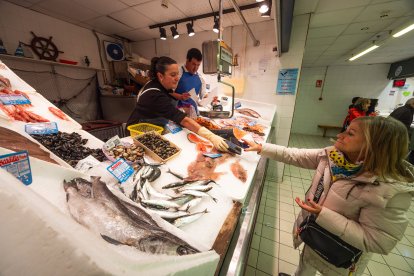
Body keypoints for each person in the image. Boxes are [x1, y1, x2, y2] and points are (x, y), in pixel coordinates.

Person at [245, 116, 414, 276]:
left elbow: (378, 241)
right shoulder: (334, 156)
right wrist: (262, 148)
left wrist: (323, 215)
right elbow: (296, 156)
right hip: (313, 233)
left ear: (374, 146)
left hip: (340, 253)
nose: (340, 135)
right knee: (305, 266)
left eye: (350, 133)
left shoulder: (389, 190)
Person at [126, 56, 228, 152]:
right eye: (173, 75)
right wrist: (211, 136)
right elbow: (183, 120)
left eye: (177, 74)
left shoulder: (160, 84)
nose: (177, 78)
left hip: (153, 127)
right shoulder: (155, 94)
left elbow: (171, 94)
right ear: (160, 76)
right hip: (137, 131)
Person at [170, 48, 207, 114]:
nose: (195, 68)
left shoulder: (200, 78)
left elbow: (203, 95)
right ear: (187, 60)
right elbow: (169, 92)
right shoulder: (178, 73)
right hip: (178, 112)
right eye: (193, 64)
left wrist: (209, 98)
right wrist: (181, 97)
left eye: (198, 65)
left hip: (193, 113)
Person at [390, 98, 414, 164]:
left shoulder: (400, 109)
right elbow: (404, 128)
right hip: (395, 137)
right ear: (412, 104)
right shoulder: (408, 112)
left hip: (389, 134)